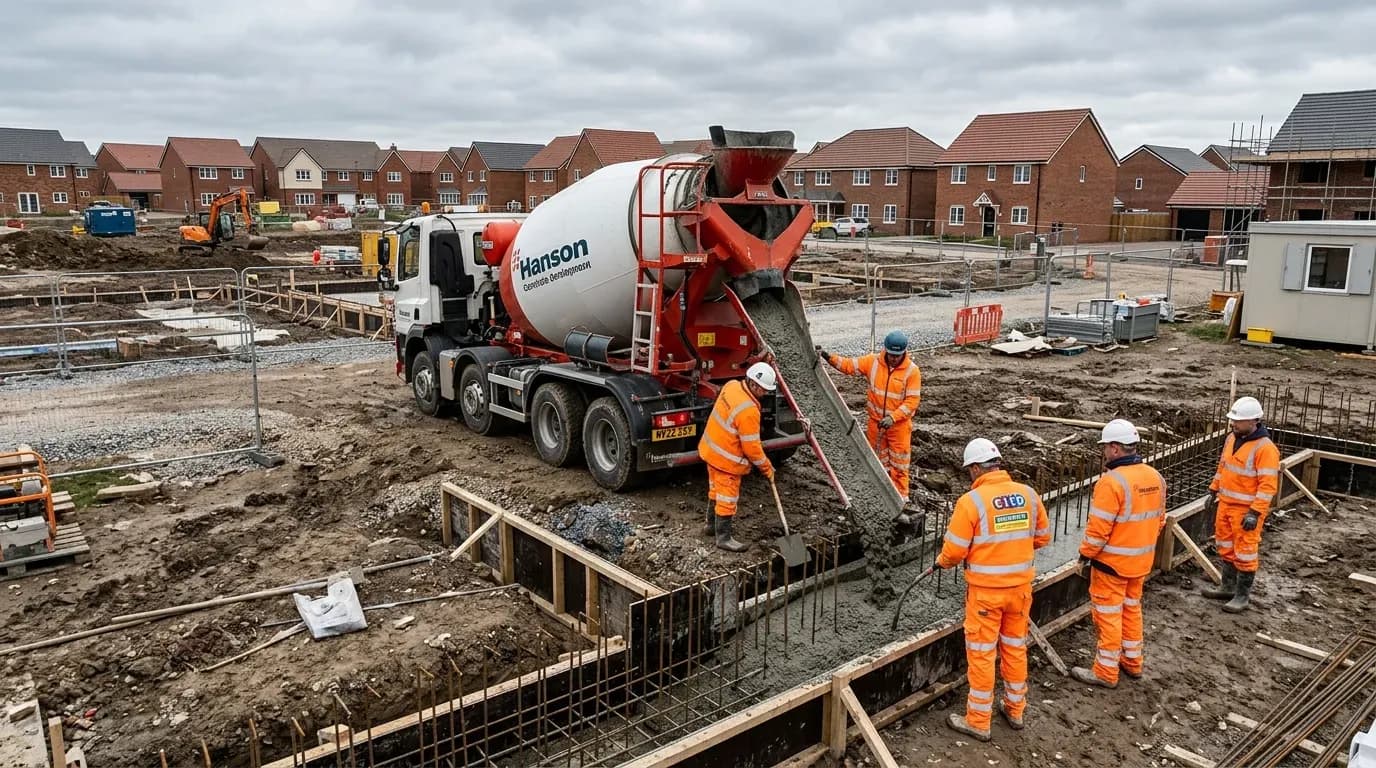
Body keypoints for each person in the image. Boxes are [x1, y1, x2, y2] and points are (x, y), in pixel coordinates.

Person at [936, 438, 1051, 741]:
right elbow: (1042, 537)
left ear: (976, 468)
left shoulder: (971, 502)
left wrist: (942, 561)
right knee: (1014, 648)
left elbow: (955, 551)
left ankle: (978, 720)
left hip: (986, 594)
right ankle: (1015, 709)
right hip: (1021, 591)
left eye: (969, 470)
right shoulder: (1027, 493)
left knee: (982, 654)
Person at [1071, 419, 1168, 689]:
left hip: (1111, 565)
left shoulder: (1111, 483)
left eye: (1105, 447)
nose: (1104, 452)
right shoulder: (1154, 477)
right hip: (1140, 562)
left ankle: (1105, 670)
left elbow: (1098, 530)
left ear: (1115, 448)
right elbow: (1160, 520)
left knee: (1108, 615)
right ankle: (1133, 662)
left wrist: (1084, 555)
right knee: (1131, 610)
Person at [815, 330, 922, 497]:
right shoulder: (873, 362)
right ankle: (881, 496)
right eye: (891, 355)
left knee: (900, 467)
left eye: (897, 356)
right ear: (885, 350)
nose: (894, 359)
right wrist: (828, 357)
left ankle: (901, 499)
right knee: (878, 463)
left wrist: (893, 417)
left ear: (904, 353)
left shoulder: (911, 371)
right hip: (876, 424)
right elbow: (849, 366)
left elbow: (912, 402)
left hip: (898, 427)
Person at [1202, 396, 1280, 612]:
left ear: (1253, 421)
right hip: (1226, 503)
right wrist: (1213, 489)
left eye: (1238, 421)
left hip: (1246, 510)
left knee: (1245, 552)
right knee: (1225, 546)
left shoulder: (1265, 449)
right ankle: (1227, 586)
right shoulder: (1231, 439)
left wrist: (1255, 512)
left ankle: (1242, 596)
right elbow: (1223, 467)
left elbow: (1267, 486)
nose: (1233, 424)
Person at [697, 362, 778, 552]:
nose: (765, 393)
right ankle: (723, 538)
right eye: (764, 389)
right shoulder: (749, 410)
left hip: (711, 451)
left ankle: (710, 526)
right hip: (727, 461)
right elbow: (752, 449)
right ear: (755, 385)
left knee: (715, 490)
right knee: (727, 498)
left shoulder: (731, 385)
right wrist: (767, 468)